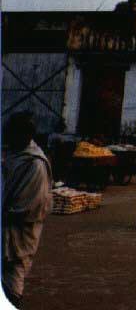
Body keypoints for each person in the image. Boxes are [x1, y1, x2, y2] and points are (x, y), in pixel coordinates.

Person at [2, 112, 53, 308]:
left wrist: (6, 214)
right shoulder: (13, 155)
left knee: (13, 274)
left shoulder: (35, 164)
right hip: (6, 225)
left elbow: (29, 206)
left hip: (18, 231)